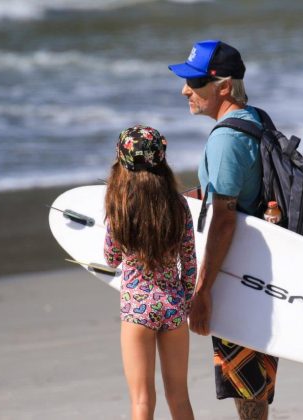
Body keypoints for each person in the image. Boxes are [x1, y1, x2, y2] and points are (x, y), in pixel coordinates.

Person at [168, 40, 277, 420]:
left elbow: (224, 218)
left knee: (245, 379)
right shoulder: (255, 119)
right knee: (253, 378)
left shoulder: (226, 140)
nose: (185, 90)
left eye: (195, 81)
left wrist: (204, 289)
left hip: (239, 270)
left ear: (224, 86)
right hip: (262, 265)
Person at [103, 125, 196, 420]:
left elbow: (111, 258)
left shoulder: (120, 206)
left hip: (136, 310)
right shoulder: (179, 205)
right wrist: (184, 296)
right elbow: (190, 264)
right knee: (179, 397)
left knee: (142, 401)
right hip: (173, 306)